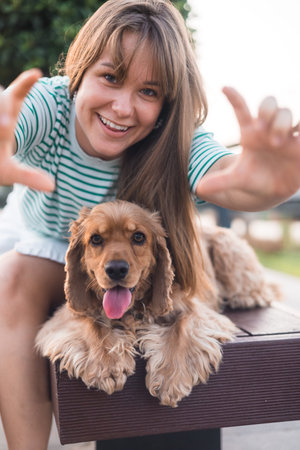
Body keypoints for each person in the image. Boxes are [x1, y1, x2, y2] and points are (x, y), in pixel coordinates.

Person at [0, 0, 299, 448]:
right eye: (111, 77)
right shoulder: (48, 104)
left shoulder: (173, 137)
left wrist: (262, 185)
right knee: (11, 280)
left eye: (149, 91)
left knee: (183, 286)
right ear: (79, 71)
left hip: (138, 259)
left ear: (167, 104)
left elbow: (224, 175)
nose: (122, 108)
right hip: (41, 238)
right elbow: (13, 124)